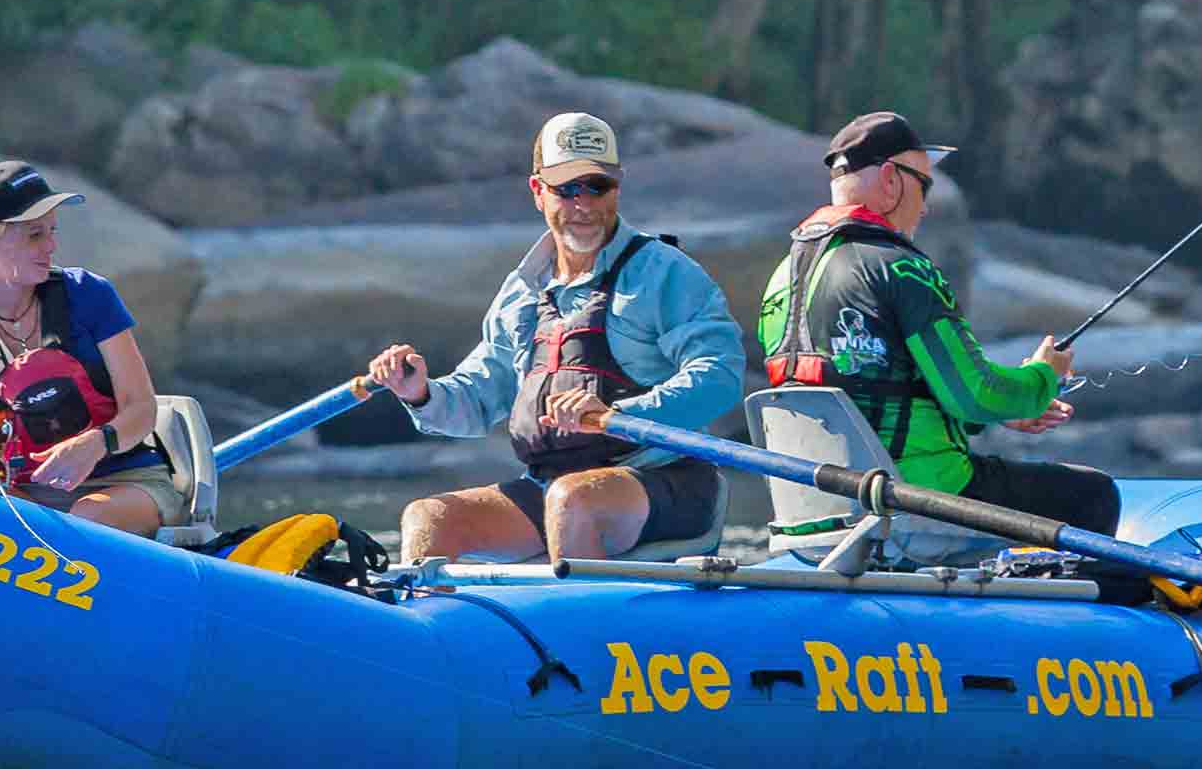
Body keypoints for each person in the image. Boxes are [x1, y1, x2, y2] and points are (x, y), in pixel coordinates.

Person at [368, 112, 746, 562]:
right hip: (551, 487)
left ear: (617, 188)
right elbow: (478, 397)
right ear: (537, 192)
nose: (583, 204)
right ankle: (428, 627)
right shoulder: (520, 292)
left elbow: (720, 376)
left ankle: (587, 629)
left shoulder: (666, 273)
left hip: (667, 479)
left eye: (597, 186)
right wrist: (420, 393)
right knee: (429, 517)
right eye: (566, 189)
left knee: (574, 501)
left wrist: (617, 413)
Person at [755, 110, 1122, 534]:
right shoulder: (903, 270)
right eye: (922, 185)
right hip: (911, 501)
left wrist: (1000, 413)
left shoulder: (783, 277)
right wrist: (1043, 378)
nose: (926, 206)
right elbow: (976, 393)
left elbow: (879, 387)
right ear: (891, 179)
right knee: (1093, 494)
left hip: (814, 513)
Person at [0, 160, 184, 536]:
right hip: (25, 498)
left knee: (86, 521)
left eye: (52, 232)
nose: (52, 246)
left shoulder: (89, 294)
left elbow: (141, 408)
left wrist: (95, 444)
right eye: (35, 235)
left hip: (127, 483)